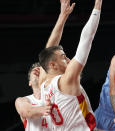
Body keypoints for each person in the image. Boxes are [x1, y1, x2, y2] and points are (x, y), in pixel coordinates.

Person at [38, 0, 102, 130]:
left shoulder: (43, 84)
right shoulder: (67, 80)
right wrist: (97, 5)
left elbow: (50, 48)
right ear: (53, 65)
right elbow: (87, 37)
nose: (68, 59)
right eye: (63, 57)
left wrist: (63, 15)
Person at [15, 0, 75, 130]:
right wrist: (45, 109)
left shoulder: (55, 90)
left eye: (39, 68)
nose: (36, 69)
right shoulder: (24, 100)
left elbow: (50, 49)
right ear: (29, 82)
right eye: (32, 70)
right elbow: (26, 111)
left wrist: (63, 16)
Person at [15, 63, 52, 130]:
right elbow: (26, 111)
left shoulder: (56, 95)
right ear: (30, 83)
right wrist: (46, 109)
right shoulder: (22, 100)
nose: (37, 70)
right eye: (34, 70)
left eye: (41, 70)